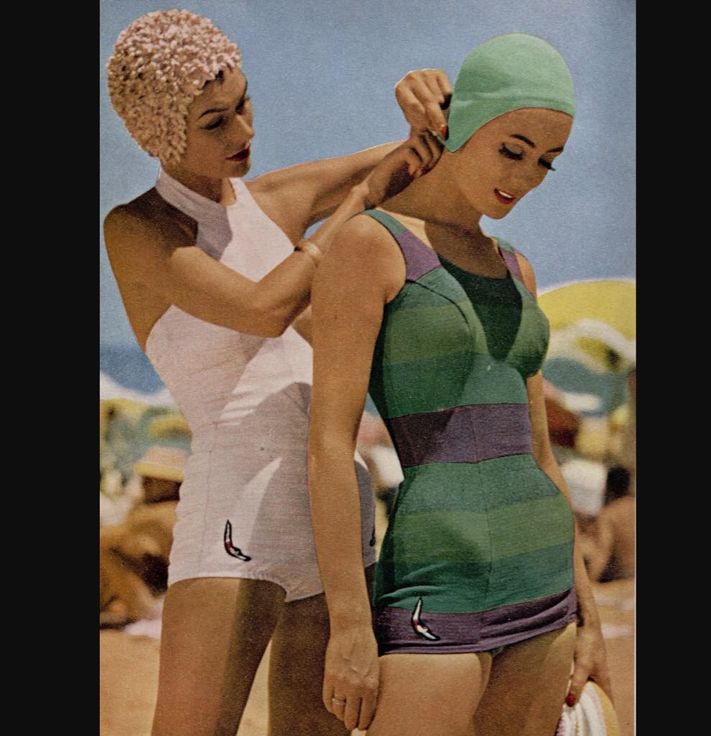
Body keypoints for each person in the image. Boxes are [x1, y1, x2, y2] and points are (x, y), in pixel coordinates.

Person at [103, 9, 449, 736]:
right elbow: (264, 308)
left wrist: (425, 93)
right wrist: (356, 207)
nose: (243, 133)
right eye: (214, 121)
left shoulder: (274, 205)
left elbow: (430, 150)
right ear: (162, 132)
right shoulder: (138, 228)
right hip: (237, 494)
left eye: (245, 104)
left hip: (332, 496)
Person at [308, 33, 614, 735]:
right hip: (437, 585)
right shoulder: (372, 244)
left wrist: (588, 612)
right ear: (462, 124)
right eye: (512, 148)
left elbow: (542, 456)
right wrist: (350, 626)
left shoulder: (517, 268)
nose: (526, 176)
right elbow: (329, 446)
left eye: (546, 162)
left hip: (545, 589)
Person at [587, 466, 635, 583]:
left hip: (628, 578)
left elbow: (602, 553)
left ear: (608, 486)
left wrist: (587, 584)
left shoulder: (609, 514)